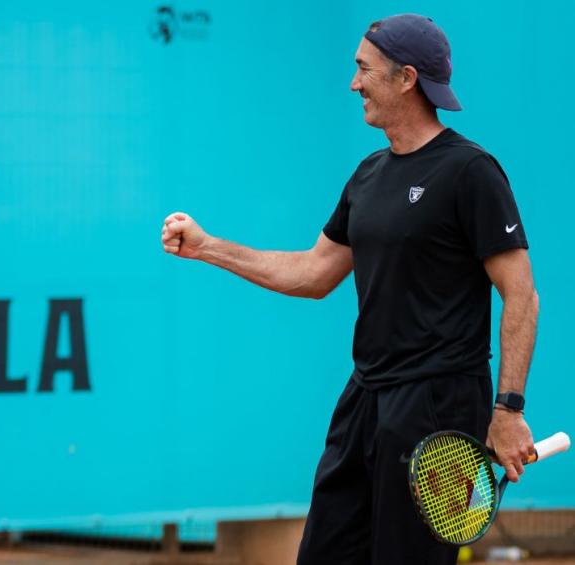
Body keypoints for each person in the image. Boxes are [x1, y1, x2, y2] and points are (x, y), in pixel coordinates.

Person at [161, 14, 538, 564]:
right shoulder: (367, 175)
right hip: (364, 399)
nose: (353, 83)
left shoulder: (471, 172)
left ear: (406, 79)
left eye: (364, 69)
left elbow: (521, 293)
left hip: (437, 407)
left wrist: (508, 410)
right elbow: (313, 273)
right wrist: (207, 247)